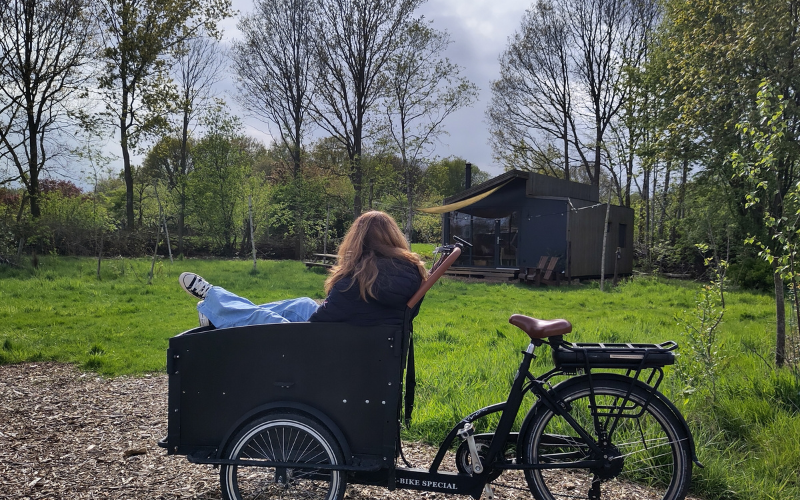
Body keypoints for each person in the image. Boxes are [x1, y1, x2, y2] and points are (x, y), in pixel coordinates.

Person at [179, 211, 428, 329]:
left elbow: (319, 322)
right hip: (362, 341)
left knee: (266, 320)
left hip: (334, 348)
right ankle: (221, 313)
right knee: (302, 304)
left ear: (357, 240)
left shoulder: (356, 282)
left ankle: (216, 302)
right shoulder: (411, 271)